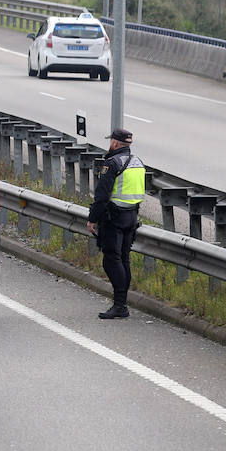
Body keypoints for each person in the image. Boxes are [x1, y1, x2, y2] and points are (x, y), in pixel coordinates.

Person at [87, 128, 145, 320]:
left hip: (114, 217)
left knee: (112, 260)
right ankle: (121, 303)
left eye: (111, 140)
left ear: (115, 143)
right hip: (131, 217)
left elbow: (102, 196)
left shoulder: (112, 163)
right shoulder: (138, 162)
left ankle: (120, 305)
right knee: (123, 258)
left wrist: (92, 219)